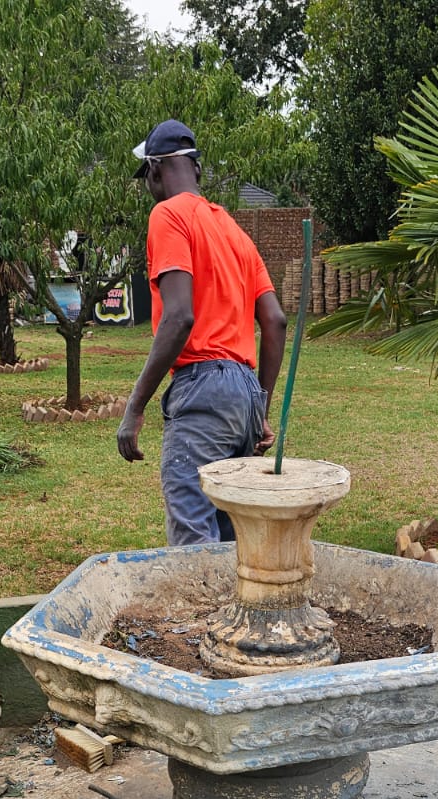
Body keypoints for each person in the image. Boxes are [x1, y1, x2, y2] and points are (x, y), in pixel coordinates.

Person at [117, 119, 288, 546]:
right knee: (232, 541)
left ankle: (204, 614)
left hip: (202, 392)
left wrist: (135, 407)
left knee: (194, 544)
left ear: (155, 171)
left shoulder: (167, 216)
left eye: (147, 179)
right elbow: (274, 320)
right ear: (196, 169)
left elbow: (179, 318)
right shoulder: (234, 231)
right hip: (246, 394)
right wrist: (261, 407)